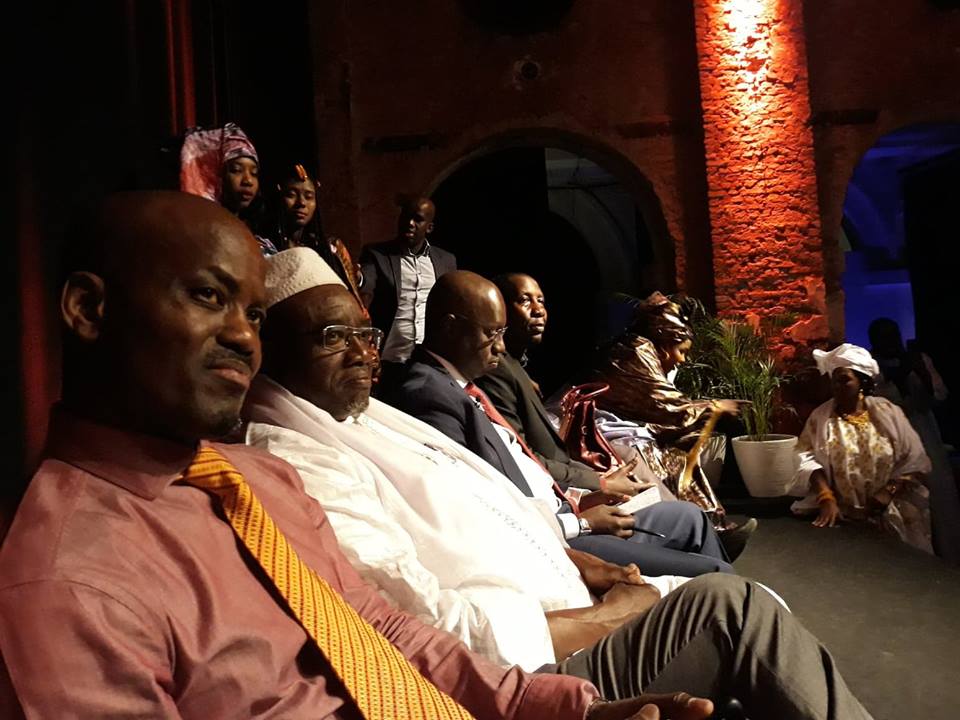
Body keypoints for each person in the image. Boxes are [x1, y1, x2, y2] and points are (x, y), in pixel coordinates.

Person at [0, 190, 703, 719]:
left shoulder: (257, 478)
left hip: (488, 686)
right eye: (208, 296)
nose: (243, 338)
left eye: (252, 314)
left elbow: (384, 629)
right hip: (531, 635)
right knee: (726, 614)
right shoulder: (69, 585)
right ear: (89, 310)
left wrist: (554, 709)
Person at [246, 248, 686, 671]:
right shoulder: (293, 465)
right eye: (334, 337)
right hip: (542, 661)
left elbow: (487, 504)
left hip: (574, 587)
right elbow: (424, 627)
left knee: (718, 580)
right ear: (269, 346)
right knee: (719, 602)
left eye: (364, 335)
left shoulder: (364, 414)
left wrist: (579, 562)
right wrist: (612, 616)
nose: (363, 355)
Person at [380, 271, 736, 577]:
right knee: (715, 574)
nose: (500, 347)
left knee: (690, 517)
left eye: (502, 333)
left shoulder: (460, 384)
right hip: (555, 540)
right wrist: (581, 520)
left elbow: (520, 462)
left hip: (566, 507)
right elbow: (480, 505)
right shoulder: (428, 394)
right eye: (491, 333)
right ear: (449, 327)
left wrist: (582, 495)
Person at [478, 274, 754, 562]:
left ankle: (708, 532)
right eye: (524, 300)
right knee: (649, 465)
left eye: (541, 301)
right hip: (582, 463)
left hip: (577, 470)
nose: (538, 310)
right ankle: (700, 547)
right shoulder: (635, 351)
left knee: (669, 474)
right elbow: (663, 405)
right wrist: (600, 484)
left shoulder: (515, 367)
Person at [591, 292, 748, 532]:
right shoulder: (635, 351)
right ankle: (690, 528)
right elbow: (664, 405)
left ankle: (706, 526)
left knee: (677, 455)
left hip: (623, 428)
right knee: (658, 456)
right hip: (600, 430)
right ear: (665, 344)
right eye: (681, 351)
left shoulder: (649, 353)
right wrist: (715, 407)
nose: (683, 360)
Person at [788, 344, 934, 554]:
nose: (837, 386)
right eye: (834, 380)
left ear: (862, 382)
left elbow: (915, 459)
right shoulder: (822, 418)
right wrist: (825, 496)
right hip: (843, 518)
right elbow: (806, 456)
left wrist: (888, 491)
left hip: (889, 514)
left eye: (844, 380)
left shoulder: (888, 413)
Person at [868, 317, 960, 563]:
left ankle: (948, 557)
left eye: (893, 335)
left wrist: (917, 371)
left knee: (939, 496)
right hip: (890, 438)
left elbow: (939, 396)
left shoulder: (917, 361)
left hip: (924, 433)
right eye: (883, 336)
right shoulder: (871, 366)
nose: (890, 341)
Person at [360, 195, 456, 365]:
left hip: (429, 359)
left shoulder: (446, 261)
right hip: (389, 357)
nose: (410, 223)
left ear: (429, 227)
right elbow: (366, 283)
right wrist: (357, 278)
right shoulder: (377, 254)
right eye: (406, 217)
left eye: (417, 219)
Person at [271, 162, 365, 310]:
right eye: (291, 195)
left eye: (309, 197)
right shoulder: (265, 246)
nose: (301, 203)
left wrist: (356, 276)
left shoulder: (330, 248)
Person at [180, 122, 278, 255]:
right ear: (213, 175)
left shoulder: (259, 240)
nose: (248, 181)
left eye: (254, 173)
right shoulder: (201, 236)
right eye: (236, 170)